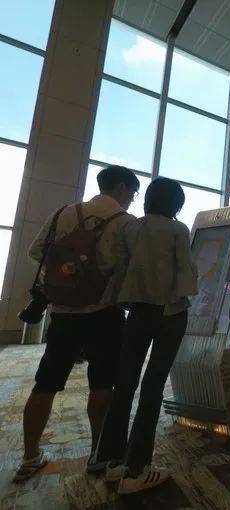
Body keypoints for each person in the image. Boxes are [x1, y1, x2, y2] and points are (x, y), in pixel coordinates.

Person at [14, 166, 139, 482]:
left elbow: (35, 252)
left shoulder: (63, 213)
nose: (132, 199)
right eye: (133, 192)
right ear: (122, 187)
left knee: (45, 383)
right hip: (105, 314)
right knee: (102, 384)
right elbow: (131, 270)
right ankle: (98, 454)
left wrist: (65, 277)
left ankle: (30, 457)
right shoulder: (125, 222)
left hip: (63, 314)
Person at [93, 177, 198, 494]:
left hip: (136, 313)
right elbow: (187, 274)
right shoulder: (177, 230)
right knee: (152, 388)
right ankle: (137, 469)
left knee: (124, 385)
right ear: (176, 203)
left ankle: (112, 462)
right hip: (170, 314)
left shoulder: (131, 227)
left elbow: (120, 267)